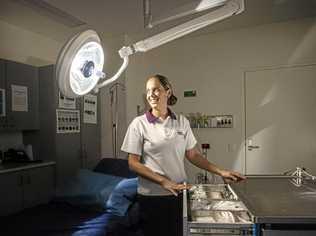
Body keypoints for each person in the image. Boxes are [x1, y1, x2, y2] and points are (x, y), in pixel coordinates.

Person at [121, 74, 245, 236]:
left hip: (179, 194)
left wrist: (221, 172)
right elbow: (133, 163)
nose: (151, 94)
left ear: (168, 92)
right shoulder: (139, 124)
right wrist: (164, 182)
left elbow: (193, 155)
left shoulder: (181, 122)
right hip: (152, 197)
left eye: (156, 89)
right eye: (148, 91)